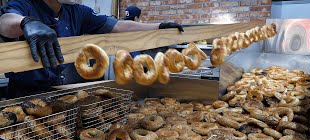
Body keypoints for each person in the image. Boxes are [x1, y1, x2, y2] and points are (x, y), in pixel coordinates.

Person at [0, 0, 184, 99]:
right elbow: (5, 21)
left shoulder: (77, 12)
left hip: (61, 91)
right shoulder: (25, 4)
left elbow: (119, 26)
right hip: (24, 94)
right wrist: (26, 22)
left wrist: (158, 27)